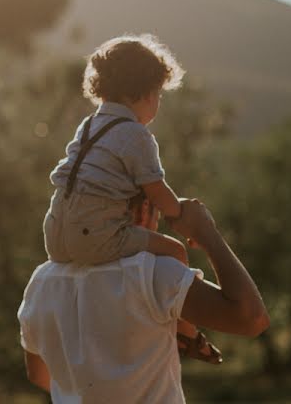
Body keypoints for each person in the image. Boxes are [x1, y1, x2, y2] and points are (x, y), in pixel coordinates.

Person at [42, 33, 217, 359]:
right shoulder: (136, 134)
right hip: (94, 234)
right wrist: (183, 217)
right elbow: (157, 191)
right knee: (174, 251)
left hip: (55, 233)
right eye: (159, 95)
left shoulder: (89, 125)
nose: (158, 103)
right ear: (145, 93)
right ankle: (187, 333)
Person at [19, 196, 269, 403]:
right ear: (143, 209)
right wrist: (205, 231)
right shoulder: (151, 273)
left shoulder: (41, 282)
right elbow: (251, 319)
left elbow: (39, 374)